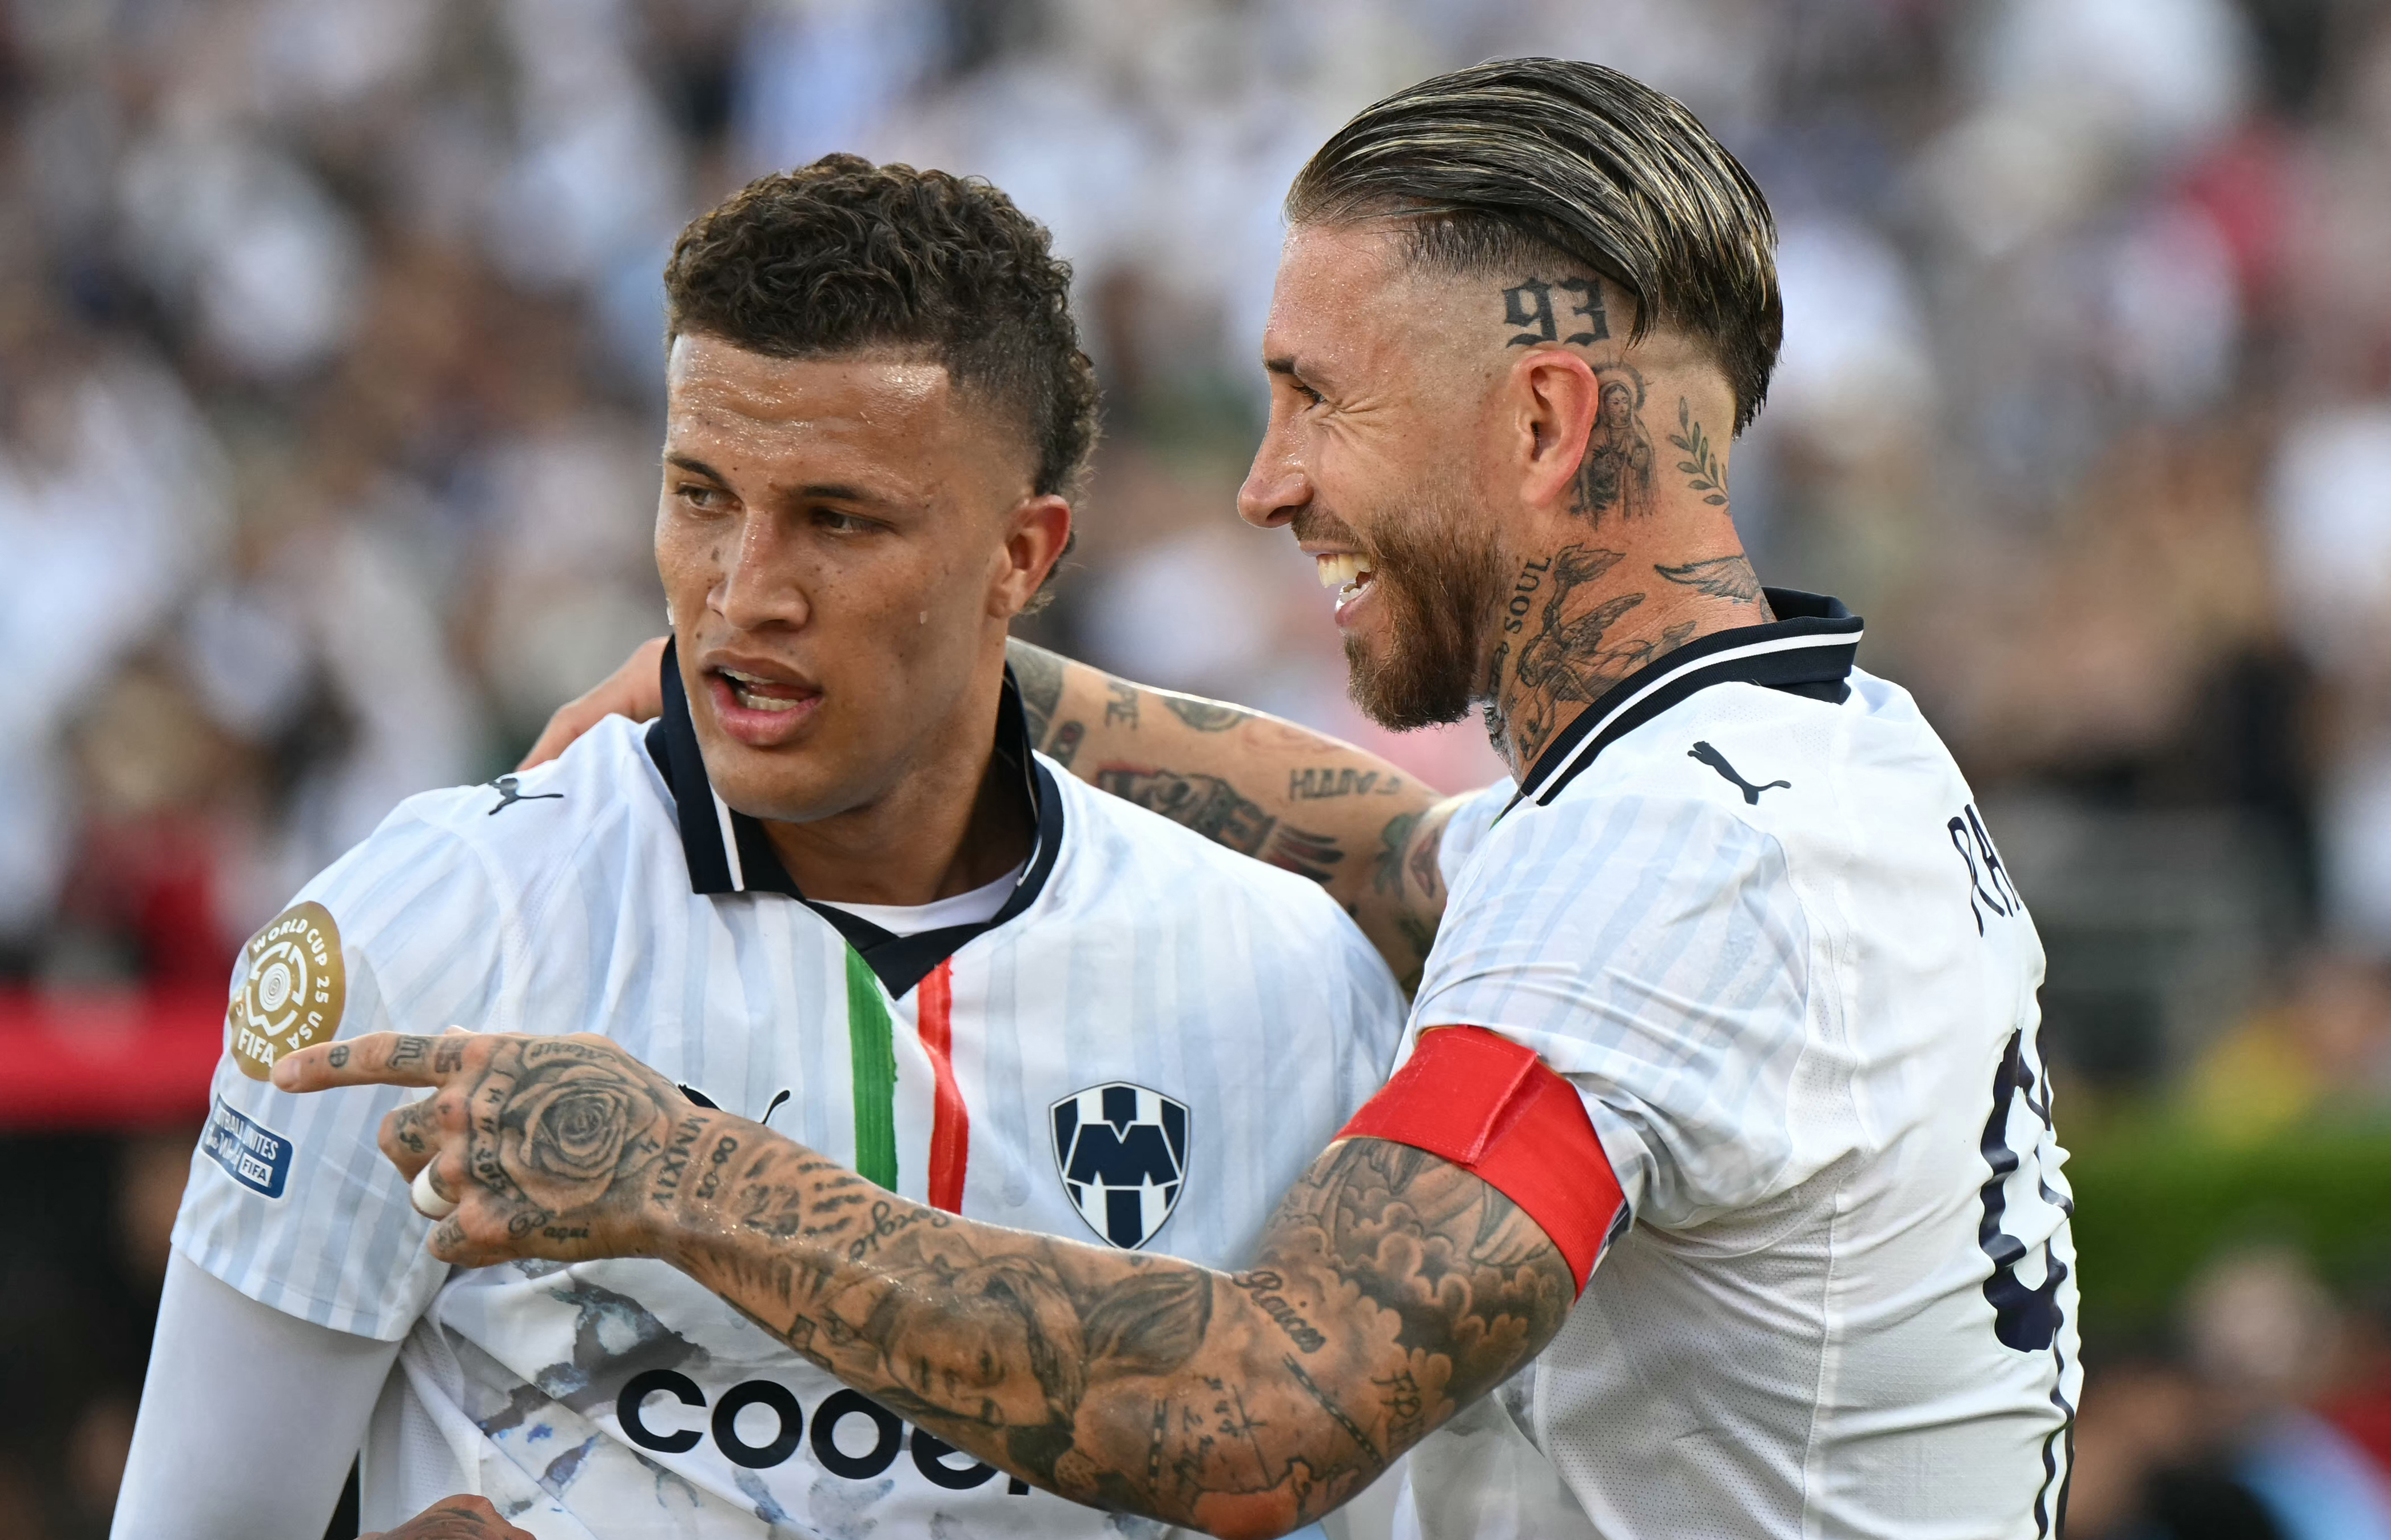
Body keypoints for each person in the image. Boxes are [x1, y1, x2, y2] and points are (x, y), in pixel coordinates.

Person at [288, 58, 2082, 1540]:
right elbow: (1405, 855)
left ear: (1540, 425)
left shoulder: (1669, 861)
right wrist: (941, 679)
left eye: (1314, 400)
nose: (1263, 482)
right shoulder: (1814, 750)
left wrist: (669, 1166)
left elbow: (1255, 1411)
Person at [114, 157, 1429, 1539]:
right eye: (701, 496)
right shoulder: (428, 929)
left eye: (837, 520)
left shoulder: (1286, 982)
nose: (744, 593)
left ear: (1023, 557)